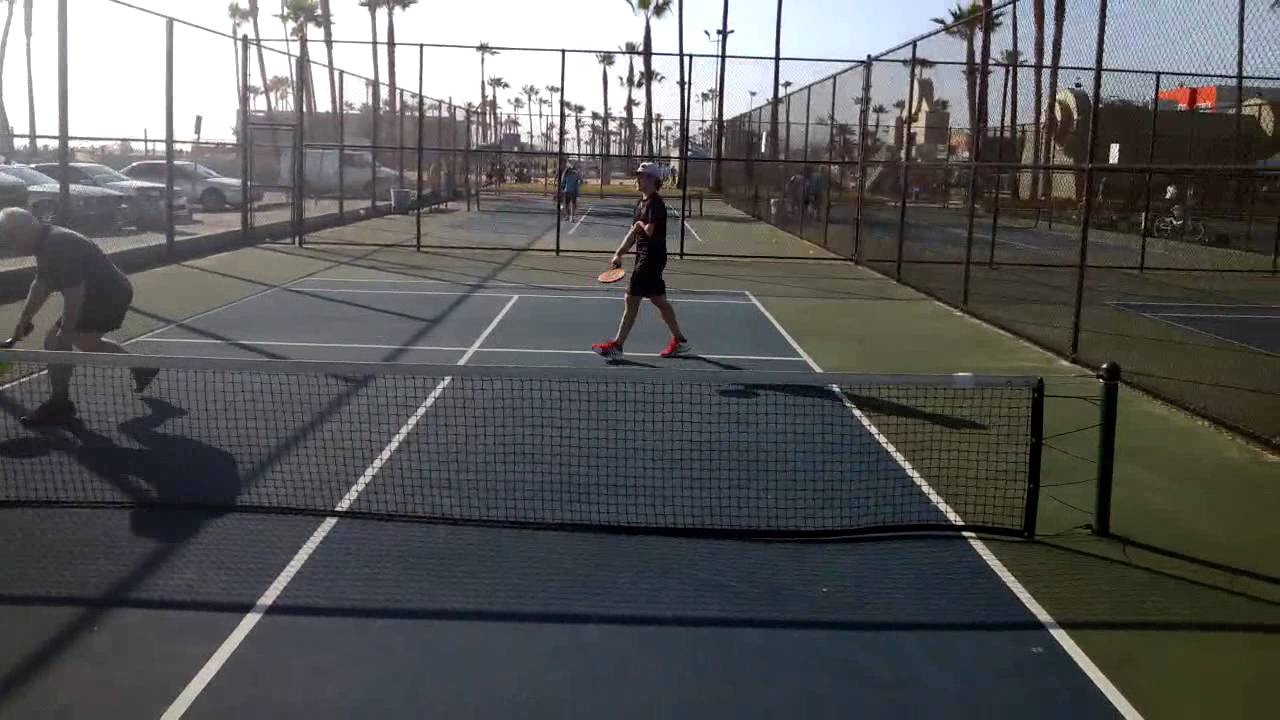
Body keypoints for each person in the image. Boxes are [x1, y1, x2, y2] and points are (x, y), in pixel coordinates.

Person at [0, 207, 157, 426]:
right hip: (99, 294)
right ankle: (142, 367)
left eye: (10, 236)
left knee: (58, 341)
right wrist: (23, 320)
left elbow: (75, 293)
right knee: (85, 343)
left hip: (108, 295)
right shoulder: (44, 242)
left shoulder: (60, 243)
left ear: (25, 229)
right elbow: (41, 284)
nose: (10, 244)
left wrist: (66, 331)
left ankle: (60, 403)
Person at [592, 162, 689, 360]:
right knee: (659, 300)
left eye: (642, 176)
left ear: (653, 180)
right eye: (637, 175)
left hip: (651, 259)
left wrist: (639, 225)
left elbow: (649, 232)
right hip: (645, 258)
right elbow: (634, 232)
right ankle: (679, 340)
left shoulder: (655, 204)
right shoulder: (640, 203)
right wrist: (619, 253)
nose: (637, 178)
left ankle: (617, 346)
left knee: (631, 299)